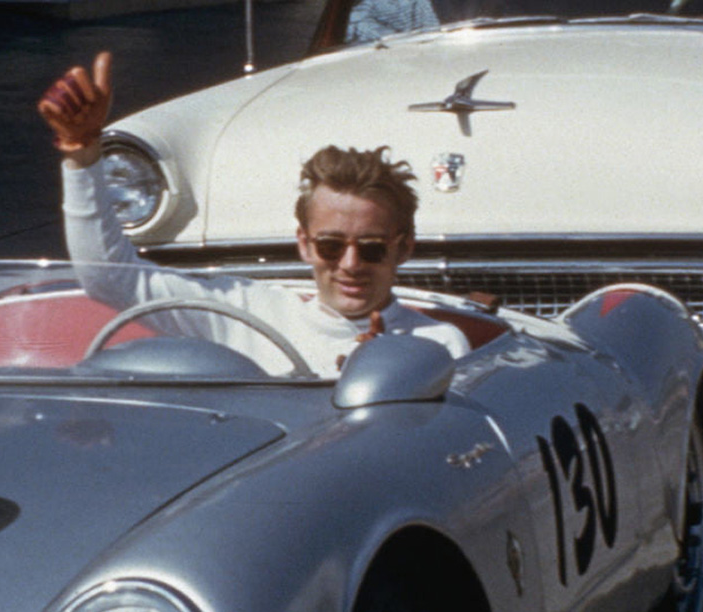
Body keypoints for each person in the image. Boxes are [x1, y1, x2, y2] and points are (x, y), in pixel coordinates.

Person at [38, 52, 469, 377]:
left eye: (372, 249)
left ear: (403, 249)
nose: (350, 264)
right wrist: (82, 155)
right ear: (304, 244)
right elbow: (110, 278)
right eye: (330, 246)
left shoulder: (439, 345)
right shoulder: (248, 312)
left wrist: (389, 374)